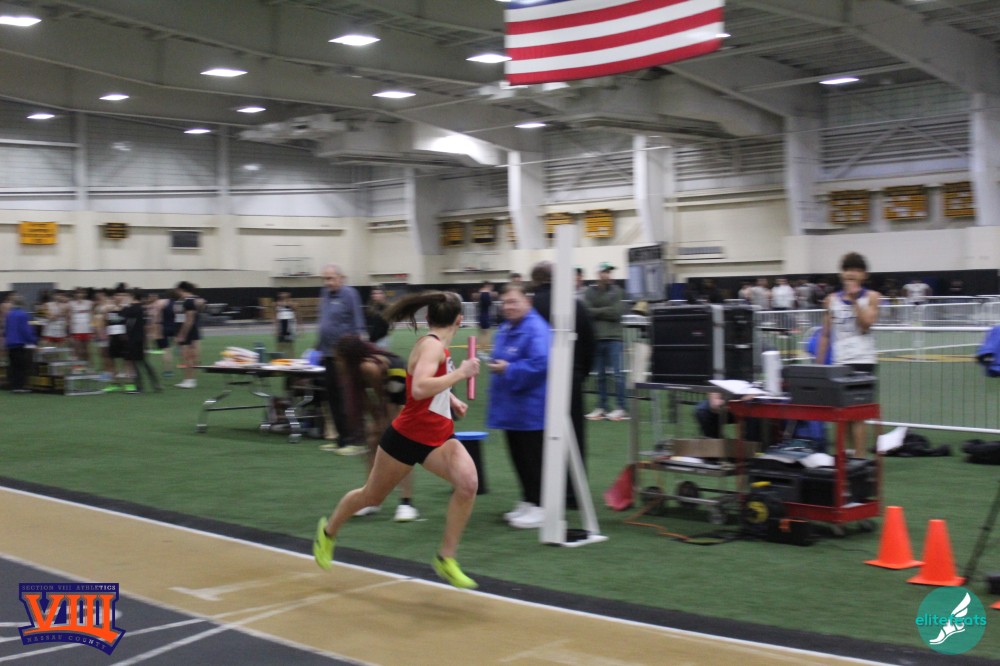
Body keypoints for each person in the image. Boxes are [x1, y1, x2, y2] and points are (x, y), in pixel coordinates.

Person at [313, 291, 482, 589]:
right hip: (407, 437)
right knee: (371, 496)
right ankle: (327, 533)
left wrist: (451, 399)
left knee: (468, 484)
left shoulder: (438, 346)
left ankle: (446, 557)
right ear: (460, 320)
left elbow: (428, 385)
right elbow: (419, 388)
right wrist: (461, 374)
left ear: (428, 317)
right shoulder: (431, 347)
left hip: (439, 437)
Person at [529, 260, 596, 509]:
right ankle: (573, 493)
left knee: (539, 438)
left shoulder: (531, 307)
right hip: (572, 377)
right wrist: (580, 373)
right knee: (574, 436)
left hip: (539, 380)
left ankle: (545, 492)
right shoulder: (575, 304)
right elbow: (590, 342)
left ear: (535, 280)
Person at [486, 283, 552, 528]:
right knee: (519, 457)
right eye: (505, 302)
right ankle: (528, 499)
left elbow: (542, 364)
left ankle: (541, 505)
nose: (508, 307)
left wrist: (509, 369)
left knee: (533, 459)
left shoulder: (536, 328)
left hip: (530, 409)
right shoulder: (506, 327)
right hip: (511, 408)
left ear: (527, 302)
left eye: (513, 301)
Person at [335, 334, 419, 521]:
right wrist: (376, 423)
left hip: (397, 379)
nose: (336, 363)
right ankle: (371, 500)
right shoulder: (353, 372)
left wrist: (385, 423)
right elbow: (367, 402)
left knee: (400, 442)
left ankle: (407, 503)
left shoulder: (369, 368)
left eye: (338, 359)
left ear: (348, 358)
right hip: (386, 389)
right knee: (372, 439)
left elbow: (386, 399)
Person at [816, 252, 880, 453]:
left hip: (863, 360)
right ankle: (845, 458)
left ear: (864, 275)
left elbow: (866, 324)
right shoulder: (831, 300)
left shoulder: (872, 297)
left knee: (858, 414)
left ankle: (859, 459)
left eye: (856, 270)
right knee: (841, 413)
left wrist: (854, 301)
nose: (851, 273)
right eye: (848, 269)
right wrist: (818, 366)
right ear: (841, 273)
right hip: (840, 362)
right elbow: (825, 334)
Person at [316, 264, 367, 454]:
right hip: (328, 355)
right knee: (333, 399)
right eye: (325, 278)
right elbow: (325, 322)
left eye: (330, 278)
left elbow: (358, 324)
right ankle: (341, 439)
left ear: (340, 278)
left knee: (349, 399)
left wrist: (358, 350)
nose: (327, 282)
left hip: (345, 357)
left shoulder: (349, 294)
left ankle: (357, 441)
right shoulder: (325, 294)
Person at [584, 262, 628, 421]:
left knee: (618, 375)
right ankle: (602, 407)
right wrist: (605, 310)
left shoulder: (618, 291)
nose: (608, 275)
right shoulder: (590, 291)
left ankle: (621, 407)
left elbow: (616, 313)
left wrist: (596, 311)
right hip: (597, 338)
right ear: (598, 274)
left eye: (609, 272)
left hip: (614, 338)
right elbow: (586, 311)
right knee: (600, 376)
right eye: (605, 272)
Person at [121, 288, 161, 393]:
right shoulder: (143, 309)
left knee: (136, 363)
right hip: (141, 339)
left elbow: (122, 313)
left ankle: (139, 387)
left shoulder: (133, 309)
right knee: (144, 362)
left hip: (134, 339)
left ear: (133, 296)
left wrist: (124, 304)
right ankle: (156, 383)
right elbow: (145, 326)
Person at [173, 281, 203, 388]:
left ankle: (190, 380)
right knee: (185, 357)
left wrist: (182, 334)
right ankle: (187, 379)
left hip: (188, 332)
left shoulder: (189, 301)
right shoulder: (185, 301)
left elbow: (189, 320)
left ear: (180, 290)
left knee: (188, 357)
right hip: (186, 331)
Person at [5, 294, 36, 393]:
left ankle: (14, 385)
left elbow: (6, 329)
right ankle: (20, 386)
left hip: (10, 343)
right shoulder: (23, 314)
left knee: (13, 365)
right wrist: (32, 340)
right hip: (19, 342)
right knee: (21, 366)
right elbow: (25, 330)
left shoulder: (9, 314)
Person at [68, 288, 94, 366]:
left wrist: (92, 328)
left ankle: (88, 366)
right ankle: (78, 367)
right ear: (75, 294)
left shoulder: (89, 303)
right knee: (77, 349)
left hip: (87, 329)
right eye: (78, 293)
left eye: (81, 293)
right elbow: (69, 316)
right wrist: (70, 329)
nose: (79, 295)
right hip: (76, 330)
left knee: (87, 350)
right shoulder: (71, 304)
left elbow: (92, 316)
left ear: (85, 294)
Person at [274, 290, 298, 358]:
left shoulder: (292, 303)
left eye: (284, 293)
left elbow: (296, 314)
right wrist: (276, 329)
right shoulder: (277, 304)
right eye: (281, 293)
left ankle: (292, 360)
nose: (283, 294)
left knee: (290, 346)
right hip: (281, 326)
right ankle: (278, 359)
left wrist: (299, 328)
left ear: (289, 294)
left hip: (289, 327)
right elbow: (276, 317)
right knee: (280, 345)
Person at [476, 281, 495, 354]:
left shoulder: (481, 293)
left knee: (482, 333)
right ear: (487, 286)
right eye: (491, 286)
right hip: (484, 315)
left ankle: (482, 348)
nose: (492, 288)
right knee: (486, 333)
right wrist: (490, 294)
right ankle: (483, 348)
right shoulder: (485, 294)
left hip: (482, 314)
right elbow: (489, 303)